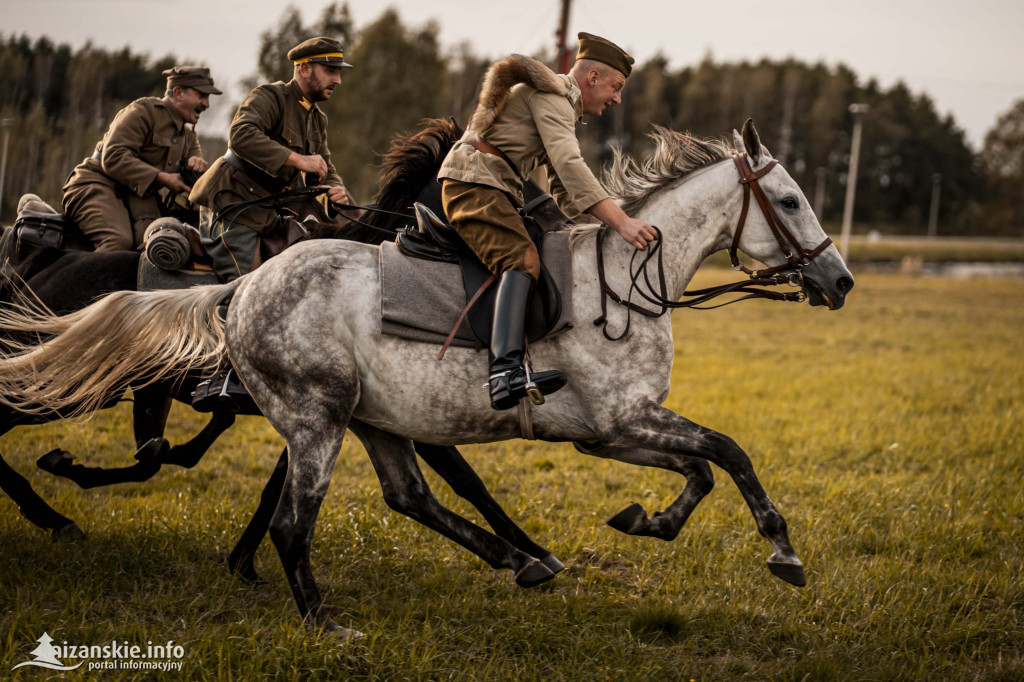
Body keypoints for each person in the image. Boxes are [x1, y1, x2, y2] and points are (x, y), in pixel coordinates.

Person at [437, 32, 658, 411]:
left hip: (486, 184)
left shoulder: (558, 105)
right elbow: (571, 164)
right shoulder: (554, 98)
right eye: (615, 87)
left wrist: (593, 227)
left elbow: (563, 188)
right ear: (592, 78)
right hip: (476, 185)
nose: (617, 98)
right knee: (522, 261)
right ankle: (505, 373)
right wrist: (621, 222)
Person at [189, 36, 354, 282]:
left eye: (339, 73)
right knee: (245, 290)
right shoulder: (270, 95)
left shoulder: (317, 118)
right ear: (304, 68)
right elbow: (241, 135)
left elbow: (324, 166)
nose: (338, 80)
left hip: (267, 213)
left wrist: (335, 188)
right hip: (232, 206)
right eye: (330, 71)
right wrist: (297, 159)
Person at [62, 66, 221, 252]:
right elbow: (113, 156)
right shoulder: (143, 111)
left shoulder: (188, 136)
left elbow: (196, 162)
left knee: (159, 246)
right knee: (117, 242)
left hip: (139, 198)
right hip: (96, 184)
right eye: (202, 95)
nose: (207, 104)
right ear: (178, 93)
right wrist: (162, 177)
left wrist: (197, 165)